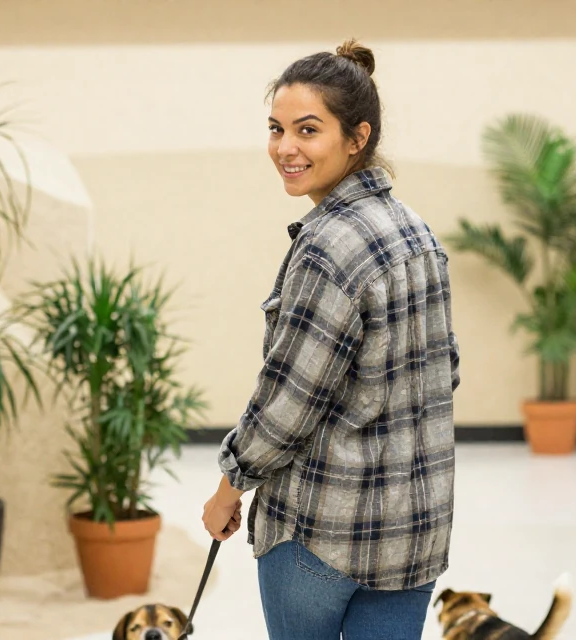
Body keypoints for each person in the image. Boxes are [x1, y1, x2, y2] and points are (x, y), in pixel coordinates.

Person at [200, 39, 461, 640]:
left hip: (322, 533)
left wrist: (226, 489)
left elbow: (287, 404)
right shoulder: (416, 232)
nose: (285, 148)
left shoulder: (327, 246)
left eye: (307, 130)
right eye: (276, 128)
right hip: (413, 532)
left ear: (357, 136)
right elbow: (443, 371)